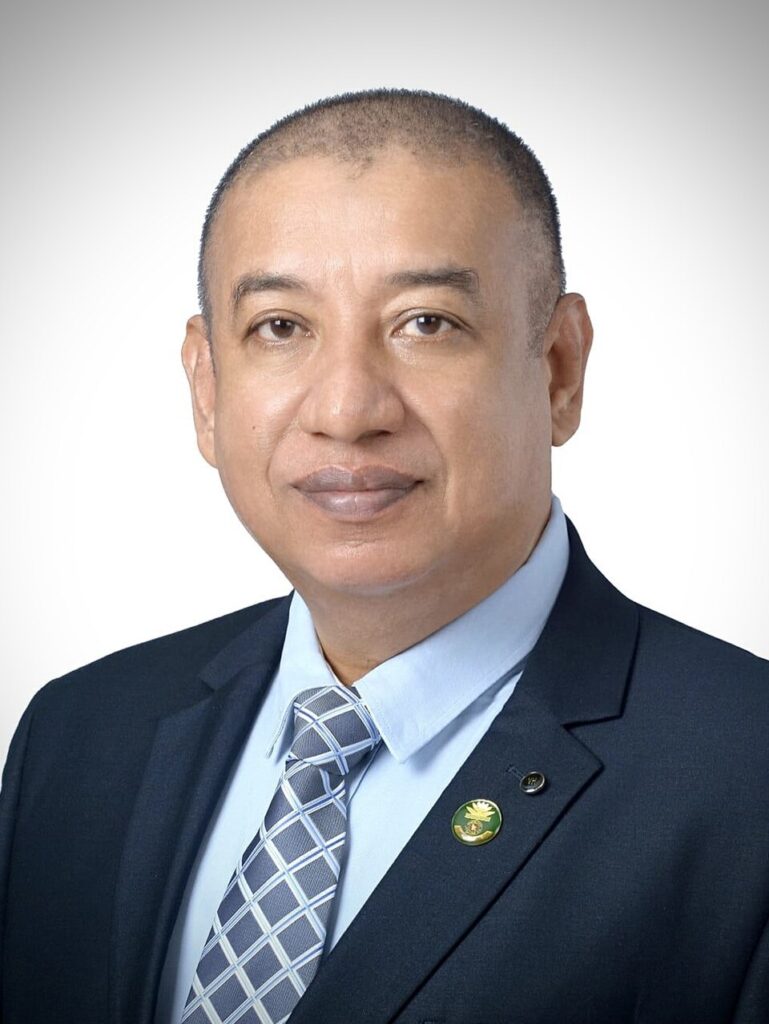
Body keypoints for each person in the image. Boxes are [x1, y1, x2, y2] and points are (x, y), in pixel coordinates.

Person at [0, 88, 767, 1024]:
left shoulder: (744, 773)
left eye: (425, 323)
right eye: (280, 327)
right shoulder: (79, 733)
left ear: (559, 369)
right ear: (206, 388)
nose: (347, 408)